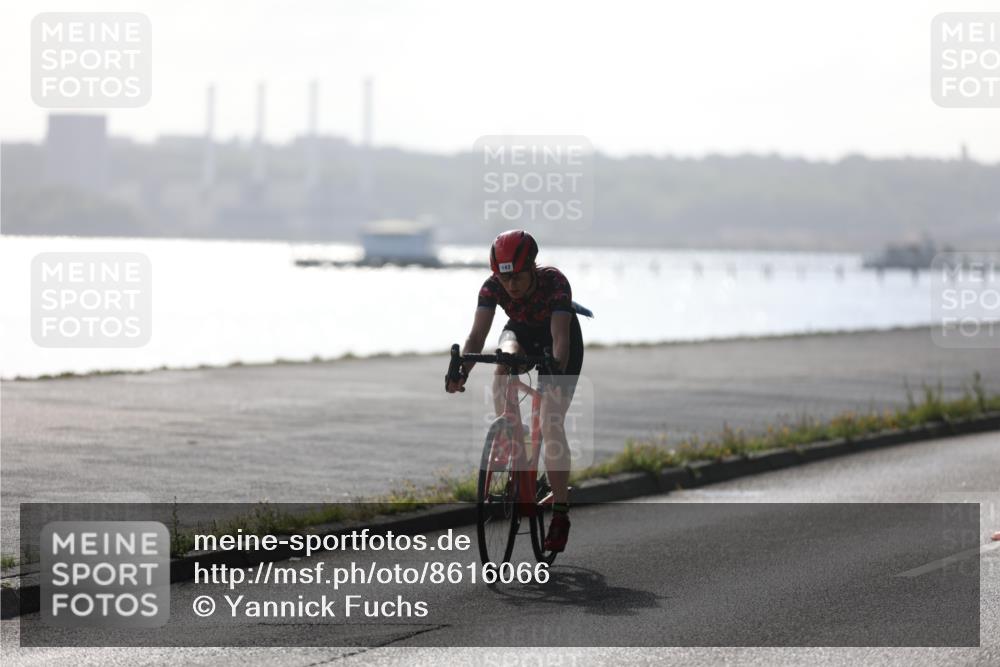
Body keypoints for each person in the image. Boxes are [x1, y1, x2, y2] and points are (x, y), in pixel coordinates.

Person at [445, 229, 584, 552]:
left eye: (518, 278)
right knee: (503, 359)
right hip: (520, 332)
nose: (511, 286)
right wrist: (461, 371)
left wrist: (555, 369)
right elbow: (477, 337)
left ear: (533, 267)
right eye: (505, 279)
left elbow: (560, 338)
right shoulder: (492, 286)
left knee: (550, 421)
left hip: (558, 338)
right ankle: (510, 435)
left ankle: (561, 514)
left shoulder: (555, 282)